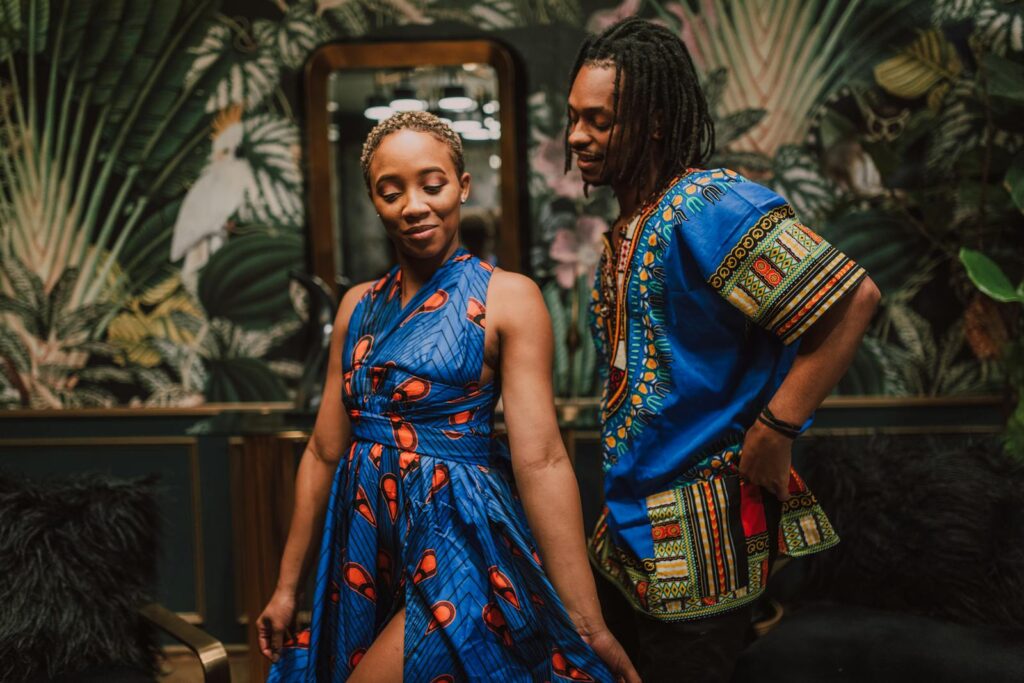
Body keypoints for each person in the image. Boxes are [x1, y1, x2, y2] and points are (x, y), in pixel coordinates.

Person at [257, 111, 639, 683]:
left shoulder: (508, 298)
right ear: (374, 200)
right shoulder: (357, 305)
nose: (414, 205)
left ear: (462, 186)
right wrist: (286, 589)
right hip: (364, 543)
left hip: (459, 538)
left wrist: (588, 624)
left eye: (432, 185)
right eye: (392, 192)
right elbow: (321, 452)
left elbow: (542, 458)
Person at [564, 17, 882, 682]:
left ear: (652, 122)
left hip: (700, 536)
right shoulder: (629, 224)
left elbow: (853, 299)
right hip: (629, 531)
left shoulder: (707, 204)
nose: (576, 137)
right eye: (573, 118)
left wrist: (777, 425)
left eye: (598, 120)